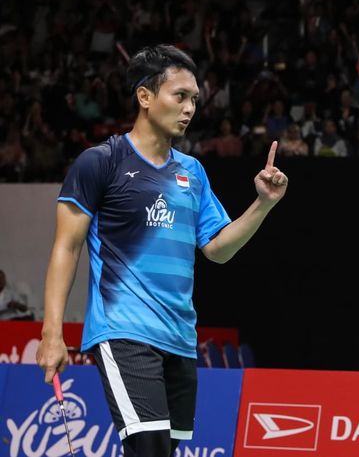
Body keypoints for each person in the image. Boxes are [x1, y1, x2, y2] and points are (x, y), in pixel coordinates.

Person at [35, 44, 288, 457]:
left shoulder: (192, 172)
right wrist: (52, 334)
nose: (190, 108)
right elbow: (66, 246)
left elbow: (218, 250)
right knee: (149, 450)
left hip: (180, 338)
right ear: (145, 97)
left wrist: (263, 204)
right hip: (124, 332)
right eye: (180, 96)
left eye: (194, 100)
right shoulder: (101, 163)